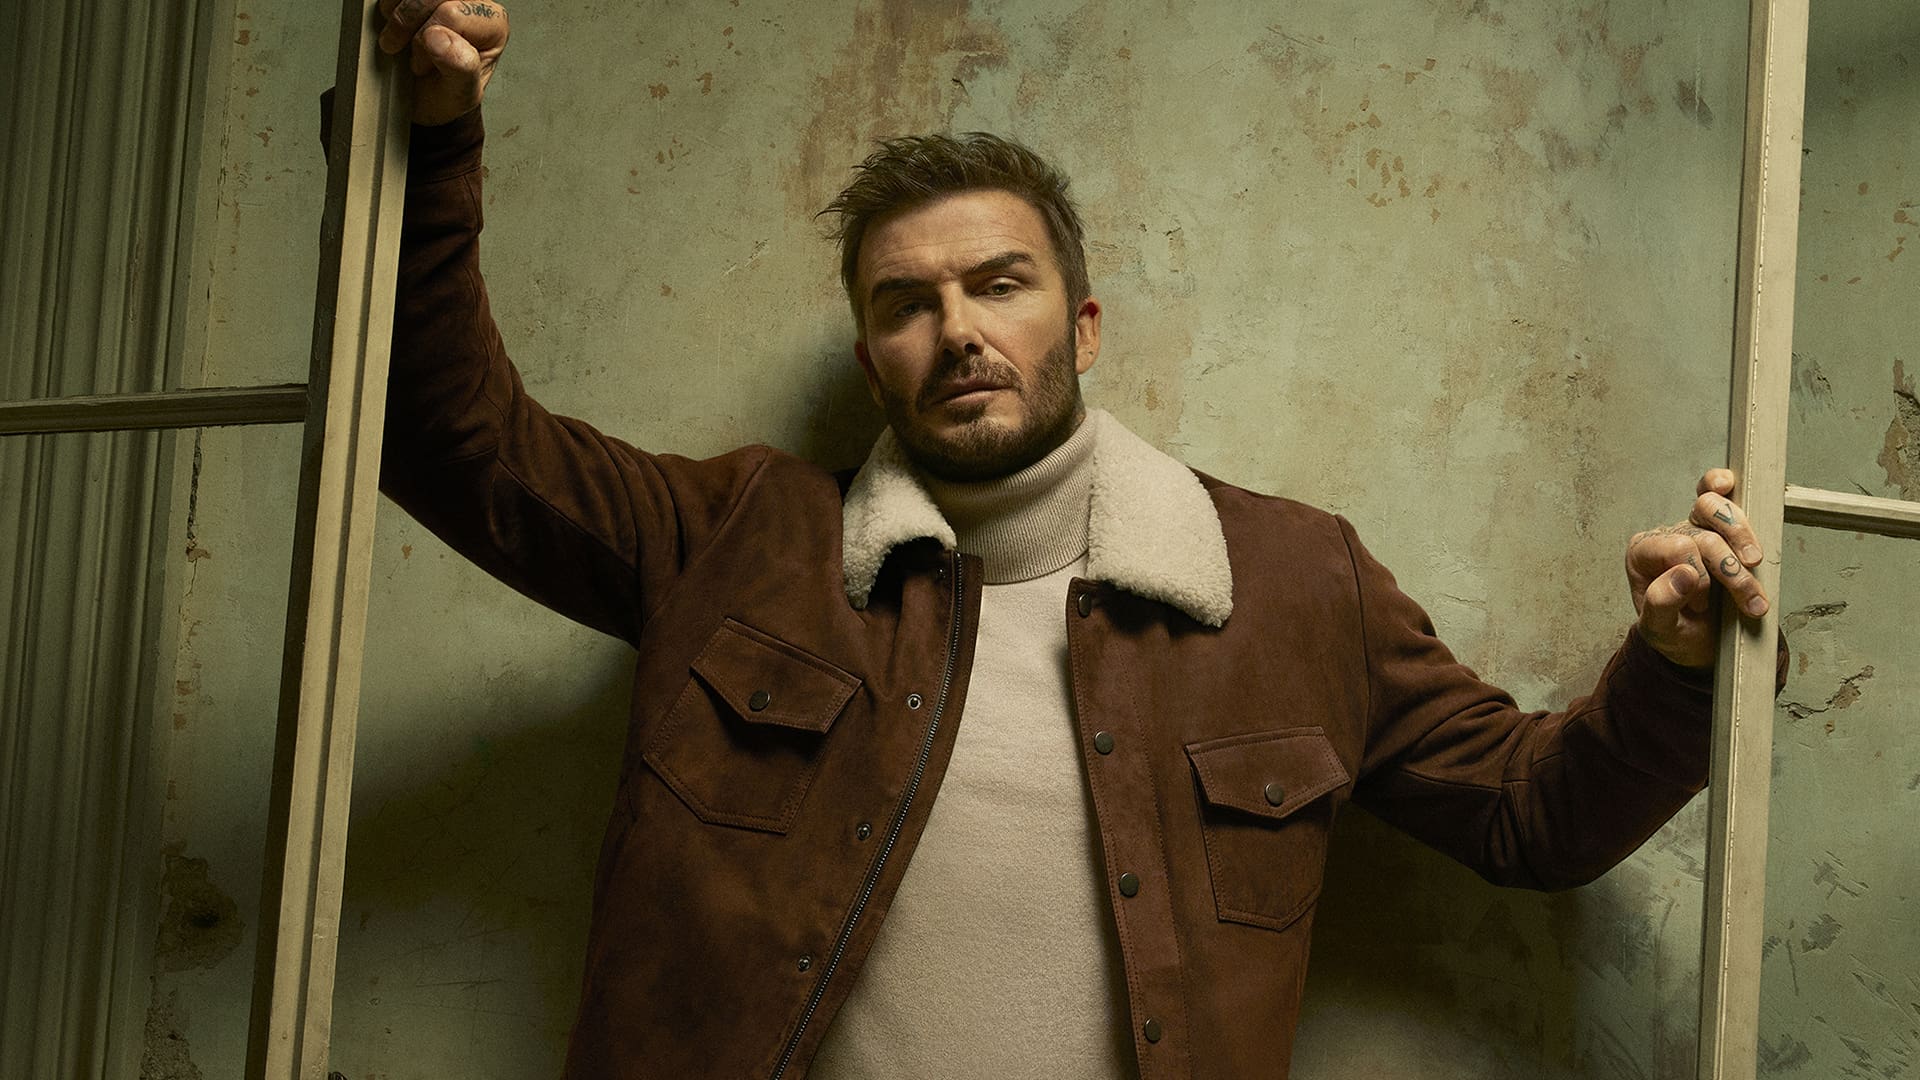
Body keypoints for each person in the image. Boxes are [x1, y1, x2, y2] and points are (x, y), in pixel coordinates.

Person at [353, 2, 1782, 1077]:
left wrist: (1676, 668)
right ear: (869, 360)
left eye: (999, 285)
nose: (957, 331)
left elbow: (1534, 817)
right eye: (907, 305)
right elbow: (445, 440)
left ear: (1082, 326)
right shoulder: (733, 538)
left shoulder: (1295, 584)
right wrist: (430, 135)